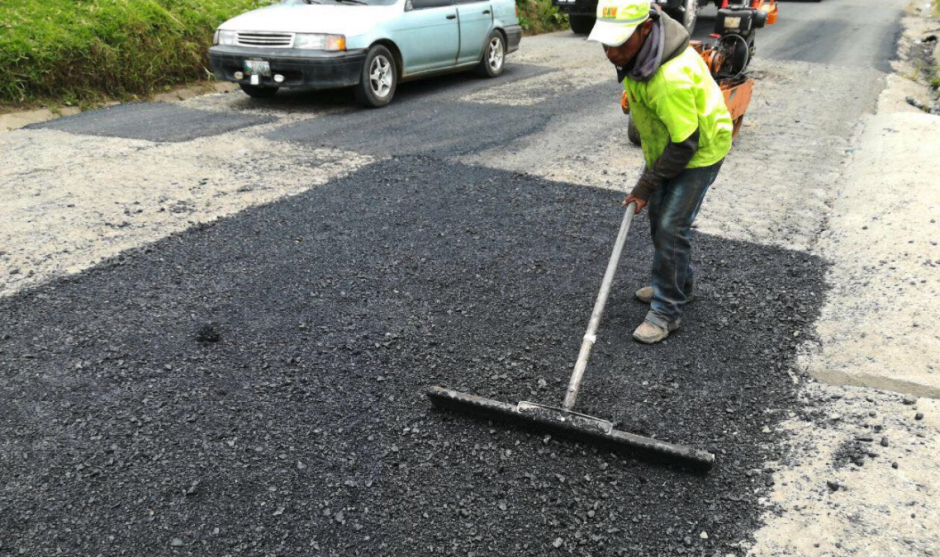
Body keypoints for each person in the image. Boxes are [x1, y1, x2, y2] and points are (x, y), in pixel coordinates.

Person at [588, 0, 733, 344]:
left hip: (699, 151)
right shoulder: (639, 54)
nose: (611, 53)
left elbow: (685, 145)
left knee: (671, 226)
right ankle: (679, 284)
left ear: (645, 28)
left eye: (619, 43)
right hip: (668, 147)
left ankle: (667, 311)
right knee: (659, 219)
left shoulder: (668, 77)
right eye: (606, 43)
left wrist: (645, 186)